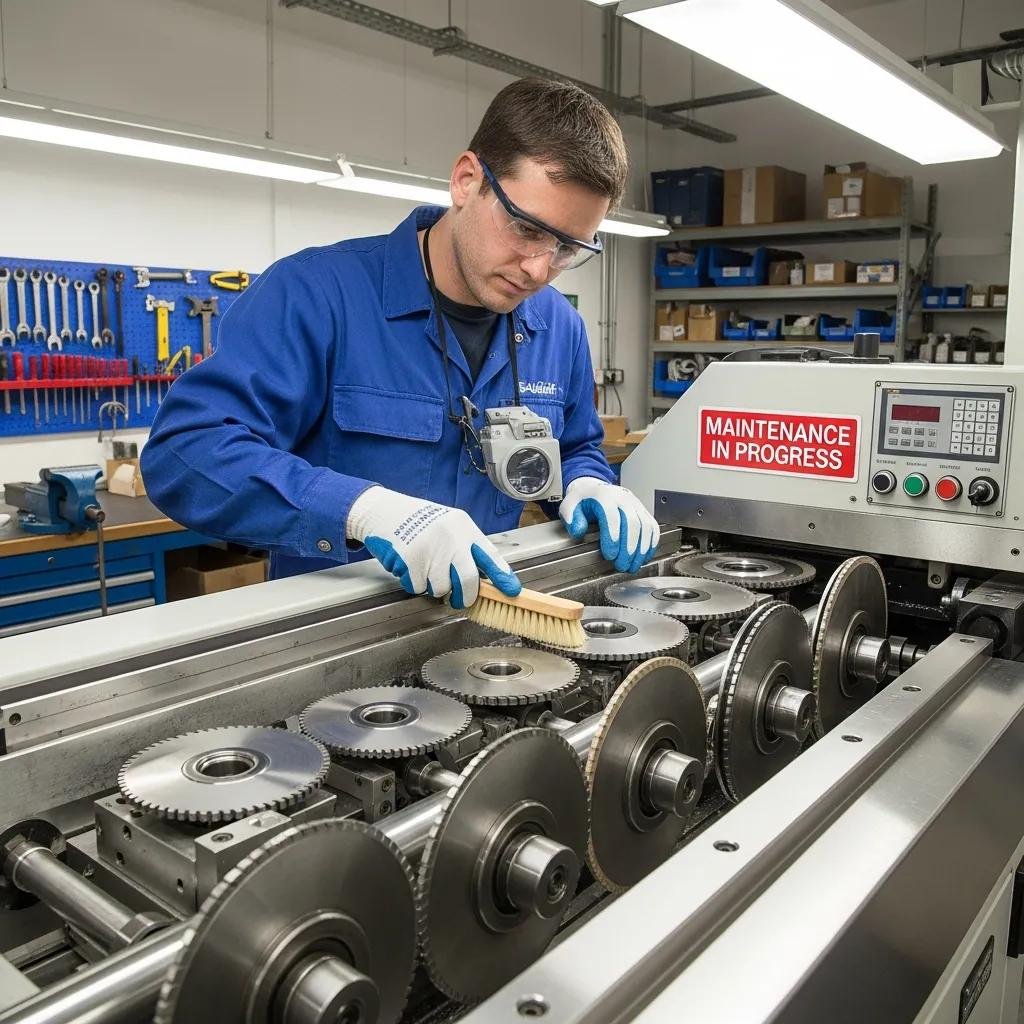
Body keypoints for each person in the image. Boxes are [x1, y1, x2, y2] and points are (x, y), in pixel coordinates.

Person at [142, 76, 659, 609]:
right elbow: (186, 452)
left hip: (491, 627)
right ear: (465, 181)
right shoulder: (317, 295)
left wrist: (589, 485)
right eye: (526, 229)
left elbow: (574, 448)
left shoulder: (560, 327)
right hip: (333, 644)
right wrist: (363, 510)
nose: (539, 268)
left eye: (568, 248)